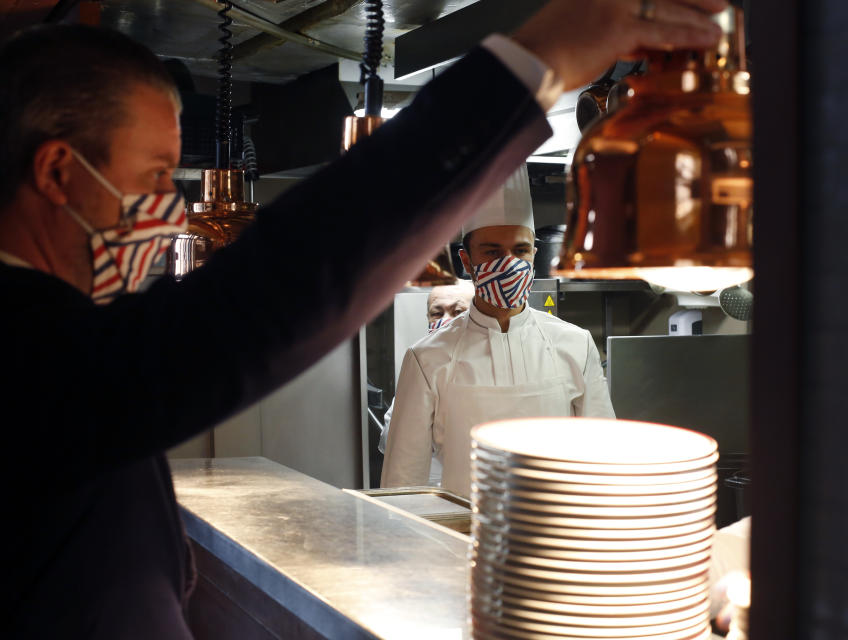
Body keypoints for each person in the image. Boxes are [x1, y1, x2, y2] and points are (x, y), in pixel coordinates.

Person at [0, 1, 728, 636]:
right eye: (158, 174)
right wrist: (541, 59)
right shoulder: (30, 353)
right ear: (59, 172)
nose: (170, 204)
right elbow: (275, 287)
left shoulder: (62, 336)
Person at [381, 166, 617, 497]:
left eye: (520, 251)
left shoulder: (575, 345)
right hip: (460, 539)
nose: (508, 264)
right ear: (466, 259)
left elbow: (604, 460)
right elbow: (402, 484)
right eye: (492, 252)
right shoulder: (427, 359)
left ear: (534, 255)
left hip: (556, 536)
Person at [377, 280, 475, 485]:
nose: (446, 321)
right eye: (437, 314)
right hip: (426, 502)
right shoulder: (420, 367)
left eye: (458, 312)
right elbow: (392, 442)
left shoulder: (491, 368)